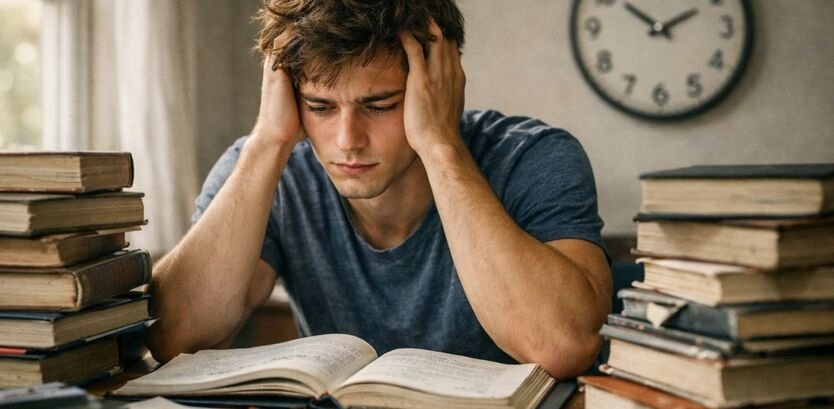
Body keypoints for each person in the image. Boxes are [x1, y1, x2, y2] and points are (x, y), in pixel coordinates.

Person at [148, 0, 612, 379]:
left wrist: (442, 147)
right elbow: (175, 339)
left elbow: (563, 347)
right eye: (320, 106)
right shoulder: (267, 167)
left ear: (440, 83)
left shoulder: (535, 157)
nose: (348, 139)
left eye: (380, 105)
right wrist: (268, 142)